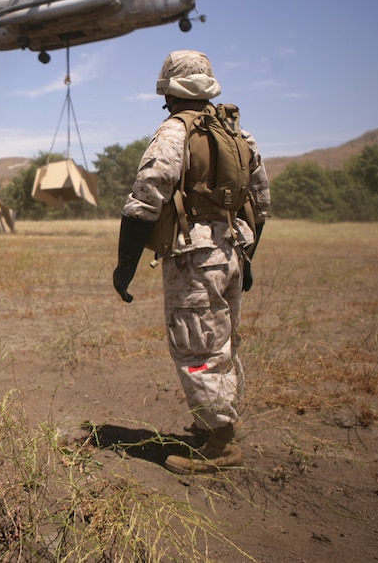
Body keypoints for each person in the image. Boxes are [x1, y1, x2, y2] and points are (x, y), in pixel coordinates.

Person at [111, 49, 270, 475]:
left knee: (197, 347)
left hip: (195, 260)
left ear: (167, 89)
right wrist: (244, 257)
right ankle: (217, 428)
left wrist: (124, 269)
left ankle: (220, 446)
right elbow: (261, 203)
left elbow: (143, 203)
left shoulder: (173, 133)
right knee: (222, 344)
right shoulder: (238, 134)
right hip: (233, 251)